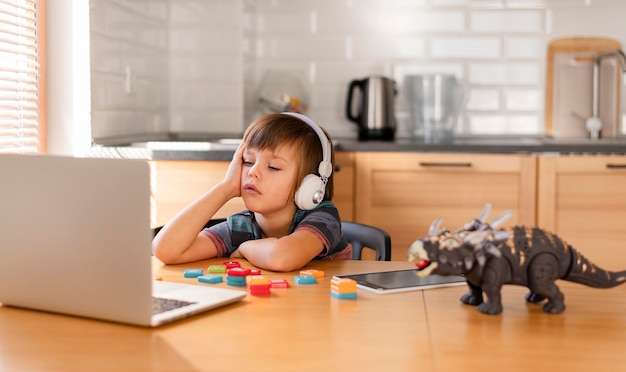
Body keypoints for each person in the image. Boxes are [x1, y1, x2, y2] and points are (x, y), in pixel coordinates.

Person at [152, 112, 351, 271]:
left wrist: (245, 248)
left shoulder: (323, 218)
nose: (253, 171)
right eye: (247, 161)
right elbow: (165, 250)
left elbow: (282, 257)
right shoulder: (241, 227)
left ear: (310, 185)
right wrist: (226, 188)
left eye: (273, 167)